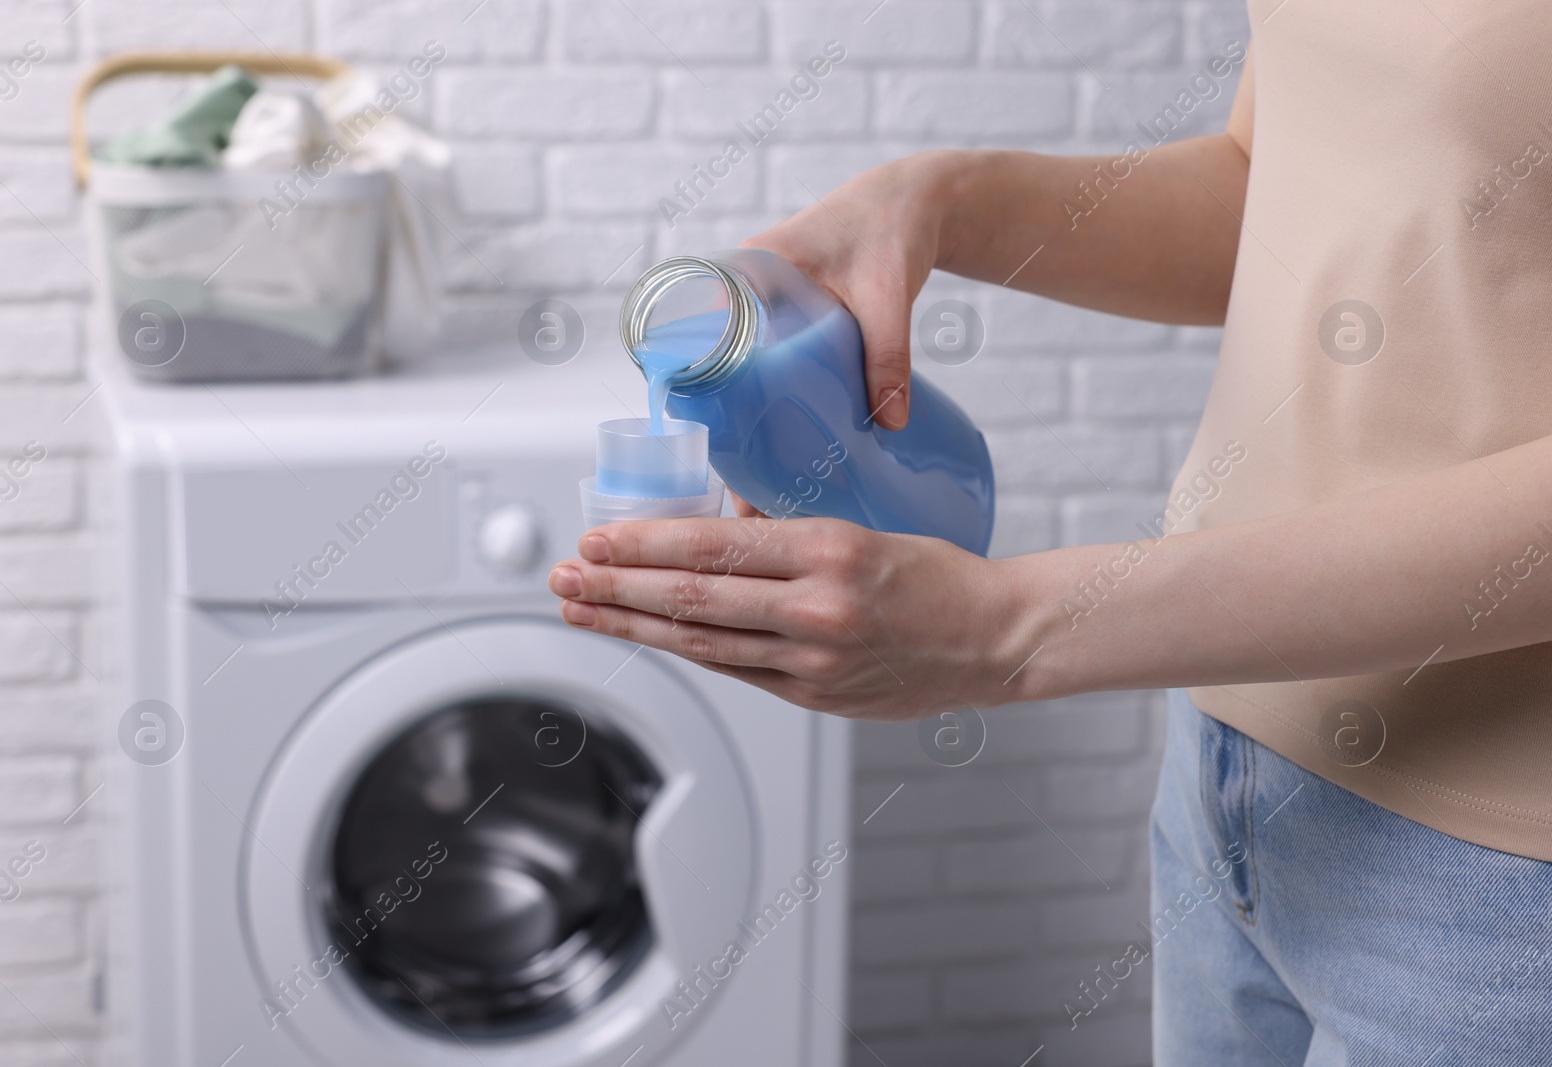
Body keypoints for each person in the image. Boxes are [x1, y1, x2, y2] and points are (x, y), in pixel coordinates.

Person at [549, 6, 1552, 1063]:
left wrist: (1013, 629)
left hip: (1493, 870)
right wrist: (940, 197)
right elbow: (1279, 182)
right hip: (1225, 760)